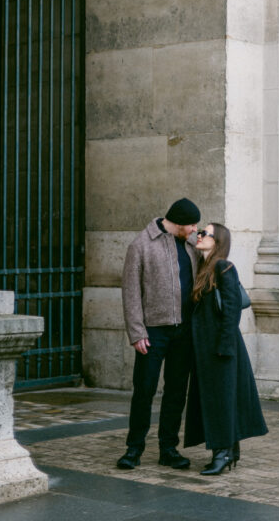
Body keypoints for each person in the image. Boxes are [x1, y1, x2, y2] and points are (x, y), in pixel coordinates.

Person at [116, 197, 201, 471]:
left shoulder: (191, 245)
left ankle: (168, 449)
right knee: (144, 390)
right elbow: (130, 291)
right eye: (191, 224)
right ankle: (133, 449)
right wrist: (137, 331)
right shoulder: (141, 245)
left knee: (176, 392)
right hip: (153, 332)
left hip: (184, 332)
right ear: (176, 222)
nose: (194, 229)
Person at [184, 223, 268, 475]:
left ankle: (222, 453)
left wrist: (223, 347)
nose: (199, 236)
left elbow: (231, 311)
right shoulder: (203, 268)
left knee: (221, 401)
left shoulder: (223, 267)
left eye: (205, 233)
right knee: (218, 400)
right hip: (209, 348)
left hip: (222, 349)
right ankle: (228, 451)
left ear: (218, 241)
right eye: (200, 233)